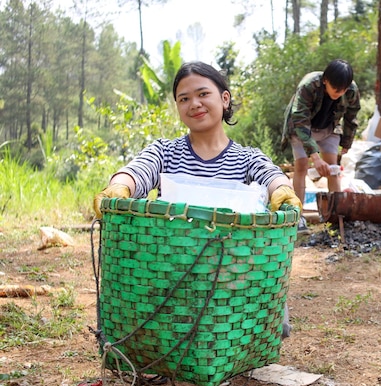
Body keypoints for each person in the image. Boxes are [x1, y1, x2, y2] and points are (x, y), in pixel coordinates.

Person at [93, 61, 301, 337]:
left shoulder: (246, 159)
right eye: (184, 99)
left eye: (203, 94)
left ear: (224, 99)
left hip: (230, 277)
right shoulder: (165, 153)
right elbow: (138, 171)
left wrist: (283, 191)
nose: (195, 104)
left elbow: (271, 175)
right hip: (173, 273)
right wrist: (118, 187)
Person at [282, 59, 361, 233]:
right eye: (336, 89)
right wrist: (315, 157)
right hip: (302, 127)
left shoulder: (351, 90)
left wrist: (346, 143)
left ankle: (336, 216)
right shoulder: (309, 85)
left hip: (329, 126)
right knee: (301, 166)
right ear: (325, 80)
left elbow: (351, 117)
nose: (340, 93)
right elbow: (300, 120)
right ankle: (298, 216)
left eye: (344, 89)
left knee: (333, 168)